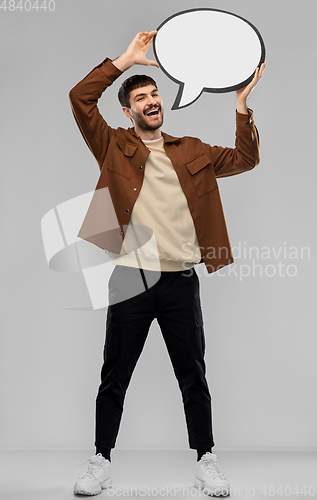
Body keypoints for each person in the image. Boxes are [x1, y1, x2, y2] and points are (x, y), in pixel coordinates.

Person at [69, 30, 266, 496]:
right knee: (114, 374)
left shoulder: (193, 149)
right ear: (128, 111)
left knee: (193, 375)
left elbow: (246, 158)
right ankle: (100, 461)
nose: (152, 101)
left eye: (155, 94)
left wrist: (241, 105)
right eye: (142, 97)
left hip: (181, 279)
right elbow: (79, 99)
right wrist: (125, 60)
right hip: (130, 277)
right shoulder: (114, 145)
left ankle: (206, 460)